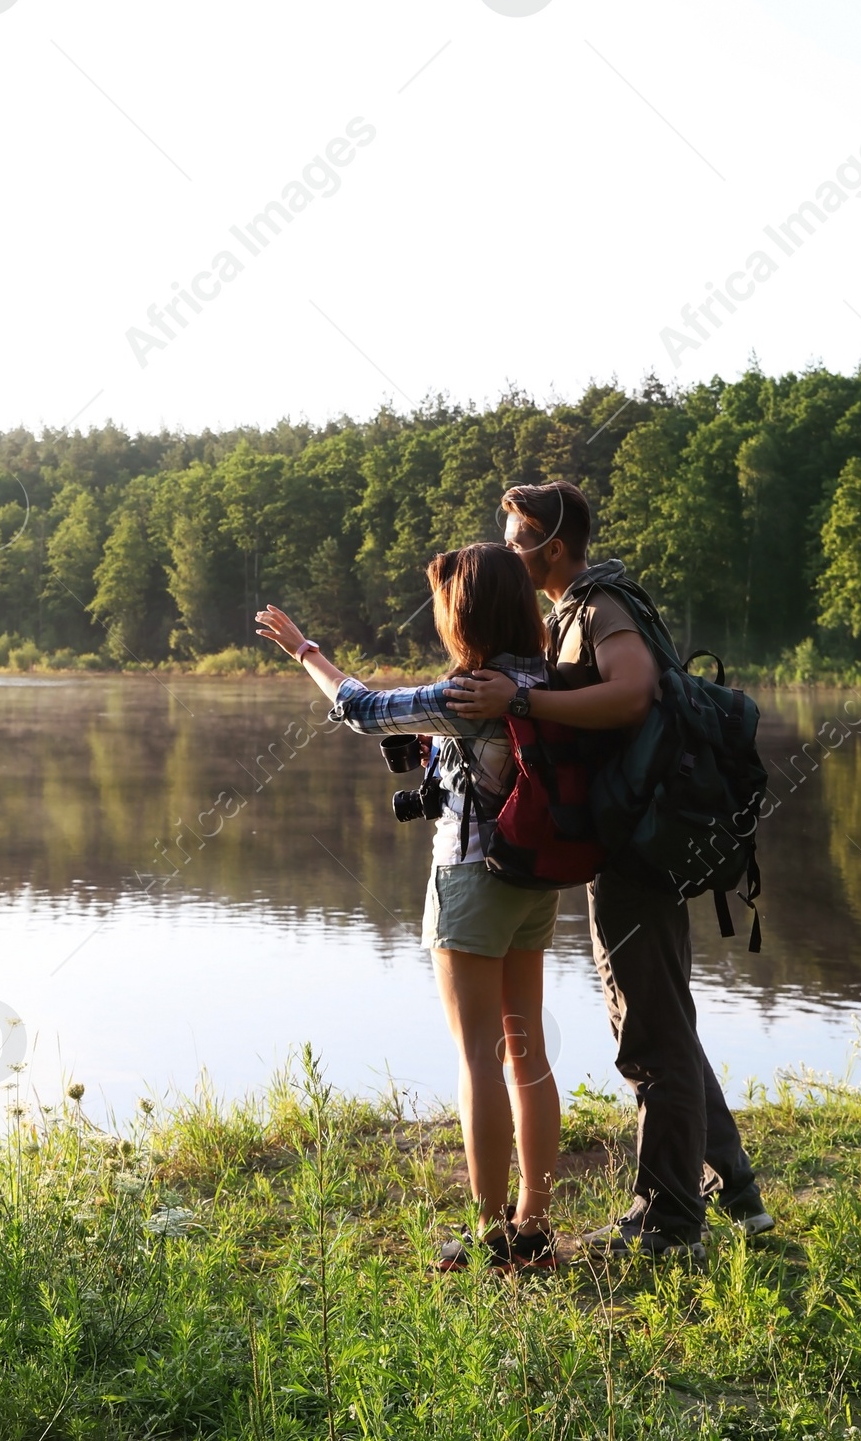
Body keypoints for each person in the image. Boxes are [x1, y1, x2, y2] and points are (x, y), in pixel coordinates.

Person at [452, 478, 773, 1262]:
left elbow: (632, 694)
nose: (506, 546)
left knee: (648, 1035)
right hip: (632, 836)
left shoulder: (600, 607)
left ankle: (667, 1225)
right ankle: (737, 1192)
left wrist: (524, 705)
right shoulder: (575, 610)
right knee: (667, 1023)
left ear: (552, 547)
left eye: (516, 534)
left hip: (641, 845)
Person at [256, 545, 560, 1272]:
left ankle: (489, 1238)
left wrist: (306, 650)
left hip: (471, 879)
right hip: (535, 878)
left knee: (478, 1058)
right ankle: (534, 1229)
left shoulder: (470, 691)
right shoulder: (544, 681)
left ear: (466, 615)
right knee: (528, 1052)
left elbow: (360, 709)